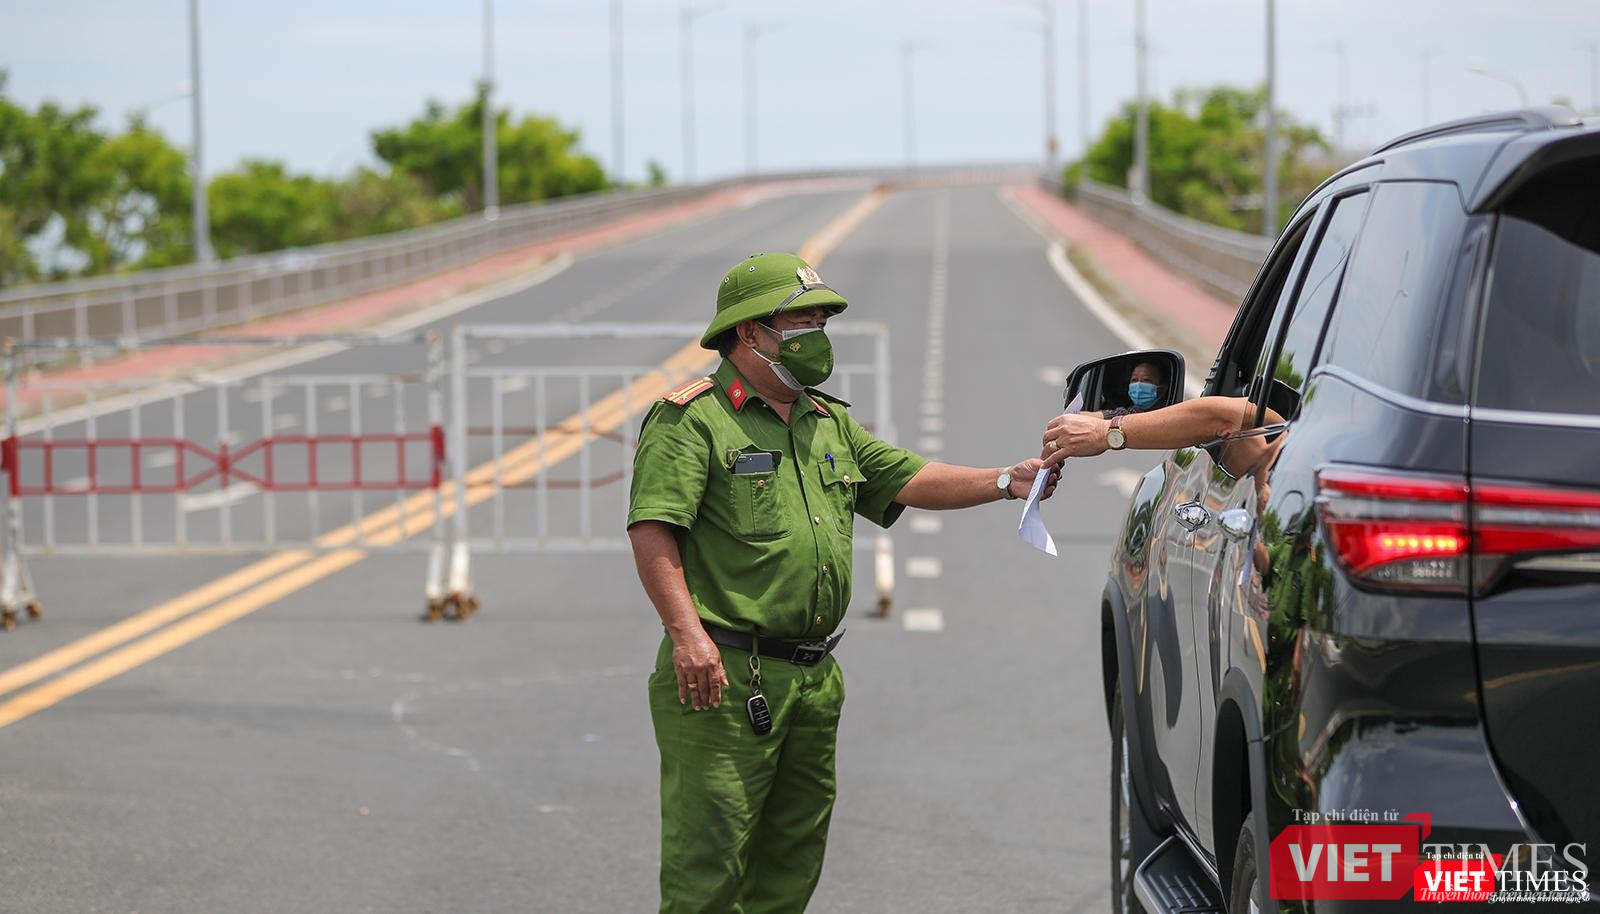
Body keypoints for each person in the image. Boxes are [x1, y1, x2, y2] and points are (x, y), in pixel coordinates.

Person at [627, 251, 1056, 914]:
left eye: (822, 322)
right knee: (708, 862)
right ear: (750, 333)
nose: (816, 337)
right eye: (801, 323)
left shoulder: (826, 423)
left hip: (811, 676)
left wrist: (1007, 481)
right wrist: (687, 636)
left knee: (793, 854)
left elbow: (907, 478)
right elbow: (653, 528)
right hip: (726, 673)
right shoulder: (694, 420)